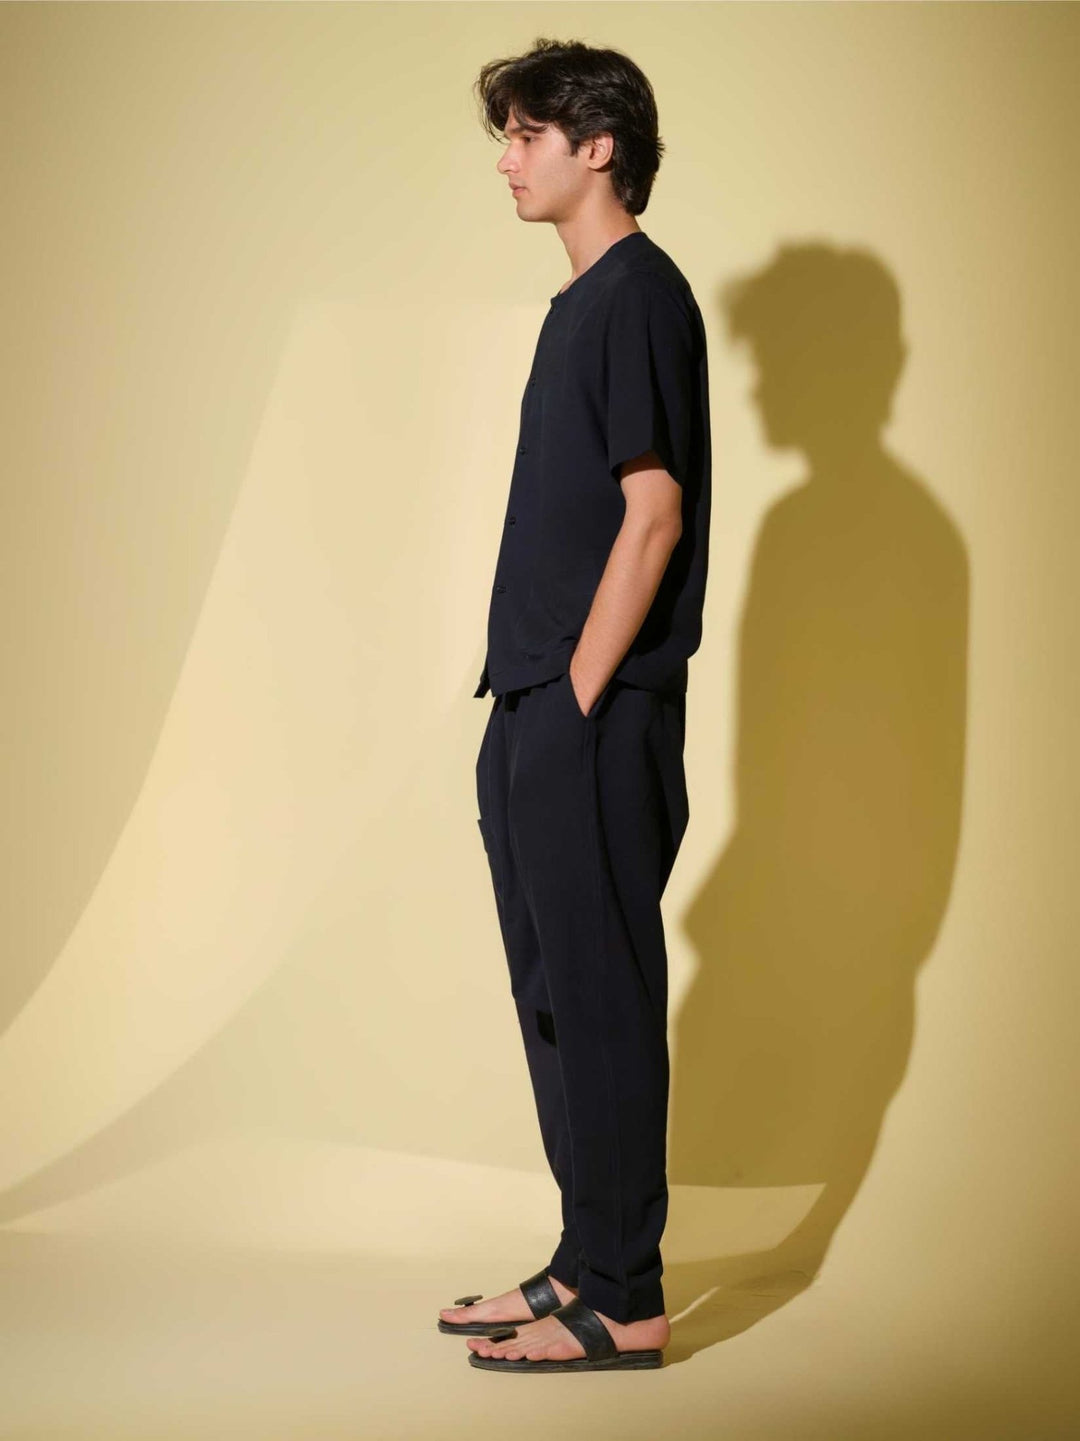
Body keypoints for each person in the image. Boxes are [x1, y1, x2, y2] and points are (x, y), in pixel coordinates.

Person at [439, 37, 712, 1374]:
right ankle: (581, 1259)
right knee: (555, 992)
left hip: (589, 711)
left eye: (526, 132)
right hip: (535, 700)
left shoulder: (641, 296)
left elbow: (653, 516)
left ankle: (626, 1296)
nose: (507, 156)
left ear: (596, 145)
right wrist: (529, 710)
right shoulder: (581, 304)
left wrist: (577, 700)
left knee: (600, 996)